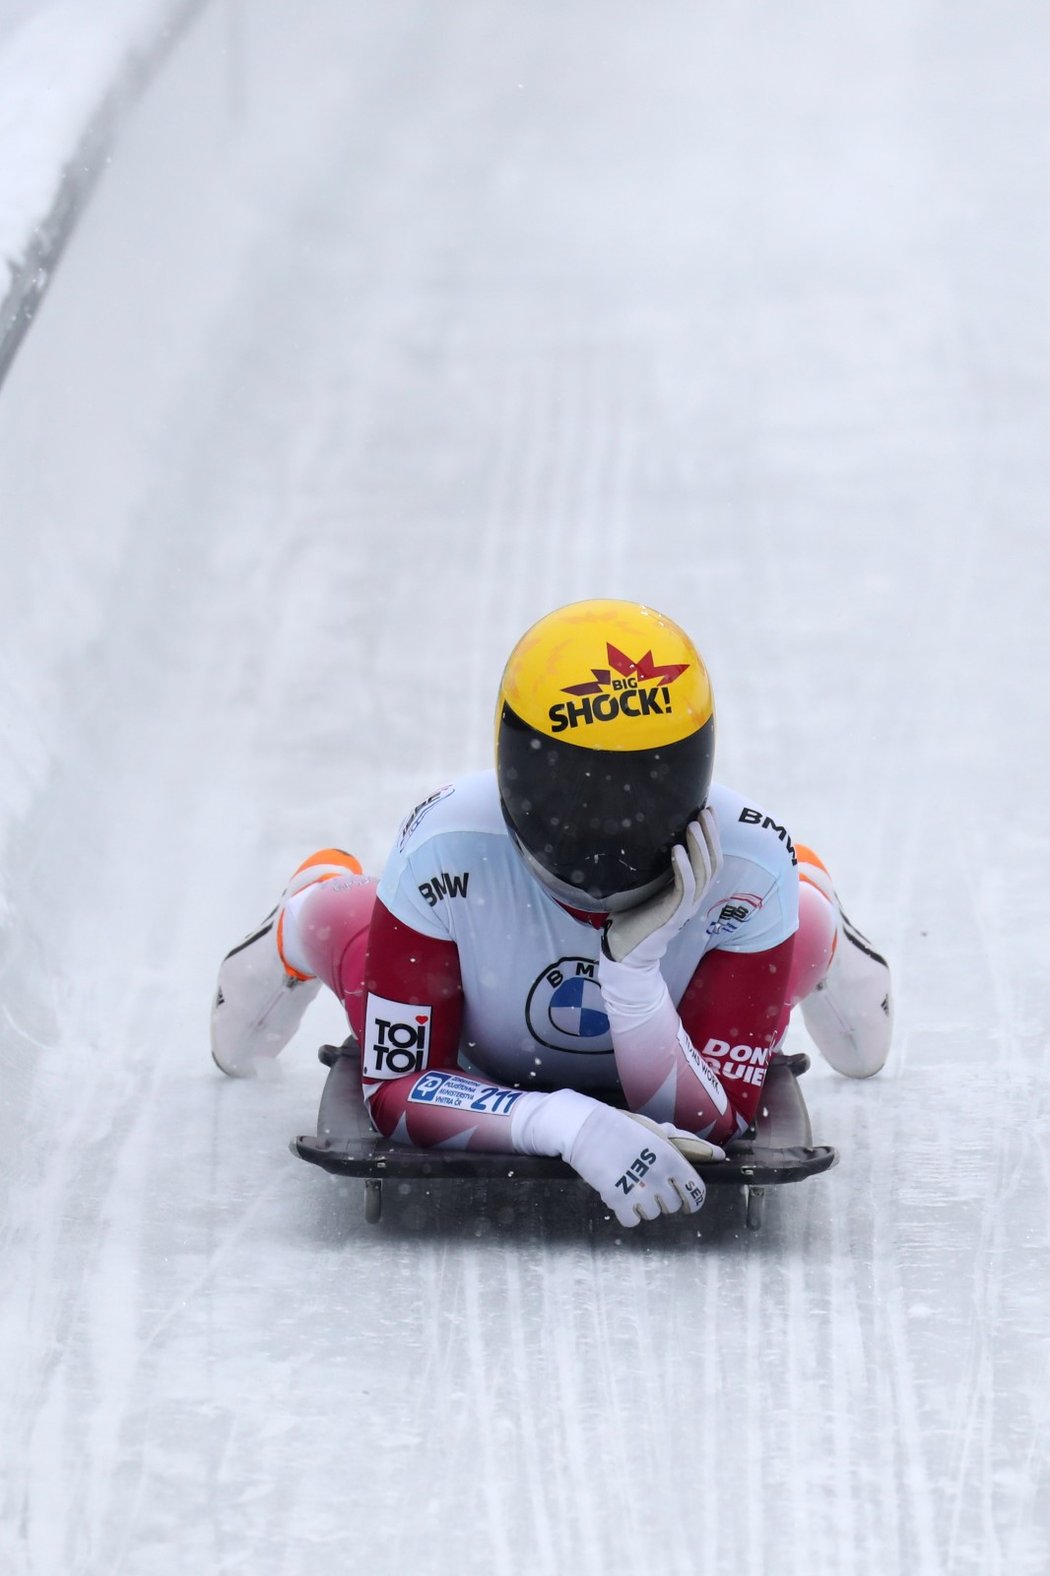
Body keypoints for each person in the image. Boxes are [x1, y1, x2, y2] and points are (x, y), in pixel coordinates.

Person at [211, 599, 892, 1227]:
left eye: (645, 783)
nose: (605, 829)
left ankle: (817, 898)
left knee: (807, 939)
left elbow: (716, 1124)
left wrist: (633, 976)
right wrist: (564, 1122)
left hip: (695, 975)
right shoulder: (447, 844)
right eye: (574, 788)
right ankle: (307, 898)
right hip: (471, 1040)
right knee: (333, 916)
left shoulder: (748, 865)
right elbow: (396, 1088)